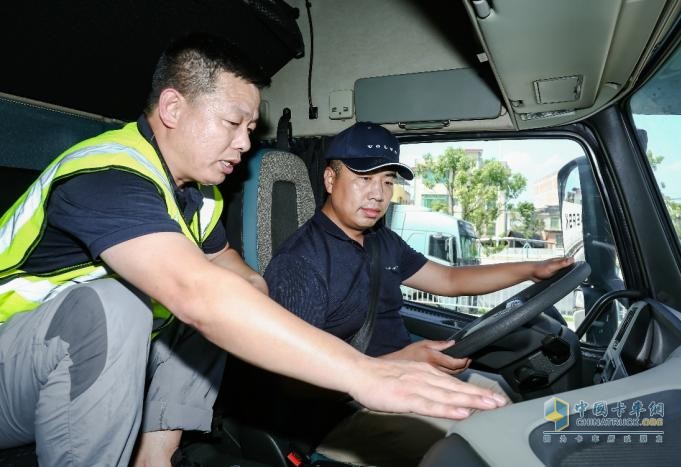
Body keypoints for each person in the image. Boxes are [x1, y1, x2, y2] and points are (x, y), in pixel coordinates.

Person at [0, 35, 508, 467]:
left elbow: (237, 280)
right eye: (232, 123)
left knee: (227, 295)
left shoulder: (198, 196)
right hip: (12, 365)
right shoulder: (108, 176)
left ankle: (156, 456)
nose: (245, 144)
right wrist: (365, 372)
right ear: (173, 108)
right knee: (126, 306)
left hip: (72, 362)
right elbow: (197, 295)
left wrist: (254, 290)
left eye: (250, 129)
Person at [263, 121, 574, 466]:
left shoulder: (383, 241)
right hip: (350, 408)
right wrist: (404, 361)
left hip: (405, 380)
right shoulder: (300, 263)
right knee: (485, 440)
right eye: (364, 178)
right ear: (330, 180)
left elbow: (451, 280)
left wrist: (530, 271)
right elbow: (293, 384)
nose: (378, 194)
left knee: (504, 404)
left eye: (387, 181)